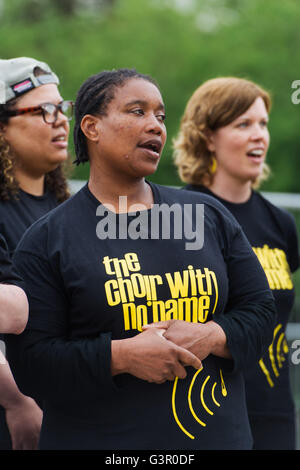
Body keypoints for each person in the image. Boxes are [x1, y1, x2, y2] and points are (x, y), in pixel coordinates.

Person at [8, 68, 276, 450]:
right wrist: (121, 357)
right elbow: (32, 365)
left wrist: (212, 335)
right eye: (137, 112)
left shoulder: (207, 215)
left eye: (161, 116)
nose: (155, 126)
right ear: (91, 127)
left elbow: (262, 311)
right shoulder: (49, 239)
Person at [173, 76, 300, 450]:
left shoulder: (281, 222)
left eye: (263, 123)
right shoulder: (179, 217)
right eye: (243, 124)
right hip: (205, 412)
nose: (259, 134)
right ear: (207, 136)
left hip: (275, 414)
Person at [0, 56, 72, 449]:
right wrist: (16, 400)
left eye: (62, 108)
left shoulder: (70, 210)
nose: (61, 120)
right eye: (44, 110)